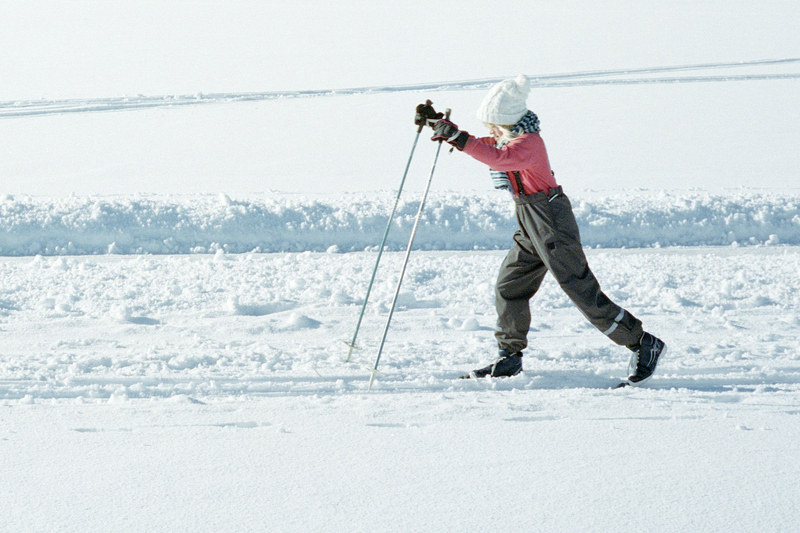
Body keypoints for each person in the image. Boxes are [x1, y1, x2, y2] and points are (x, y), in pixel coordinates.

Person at [414, 75, 665, 386]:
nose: (490, 130)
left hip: (550, 219)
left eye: (493, 124)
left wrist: (455, 137)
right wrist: (440, 124)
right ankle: (509, 357)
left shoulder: (529, 143)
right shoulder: (508, 140)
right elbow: (487, 146)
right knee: (510, 285)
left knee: (579, 288)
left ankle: (642, 342)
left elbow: (496, 158)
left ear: (507, 121)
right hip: (529, 218)